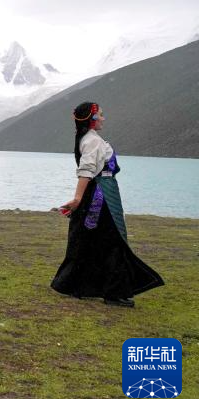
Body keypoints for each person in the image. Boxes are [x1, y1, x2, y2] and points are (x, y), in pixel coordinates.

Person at [50, 102, 164, 307]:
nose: (104, 118)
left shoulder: (88, 139)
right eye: (101, 115)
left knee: (89, 239)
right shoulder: (93, 141)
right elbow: (86, 171)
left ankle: (80, 286)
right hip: (101, 196)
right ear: (92, 119)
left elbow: (88, 171)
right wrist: (77, 199)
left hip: (101, 192)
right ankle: (114, 292)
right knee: (113, 241)